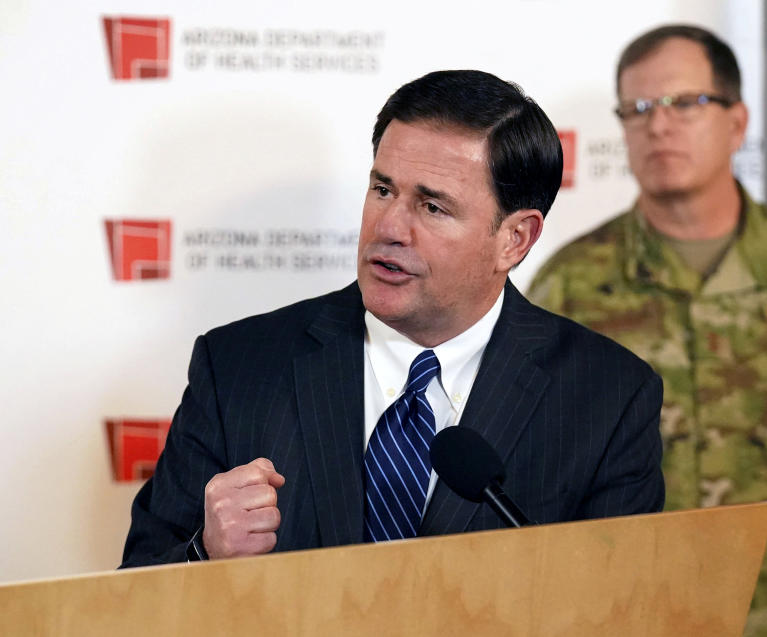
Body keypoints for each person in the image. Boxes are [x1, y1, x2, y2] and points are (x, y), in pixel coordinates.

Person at [121, 70, 664, 566]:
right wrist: (205, 551)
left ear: (514, 239)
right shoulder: (238, 367)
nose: (390, 228)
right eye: (383, 189)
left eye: (433, 207)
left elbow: (623, 607)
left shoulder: (608, 397)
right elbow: (132, 595)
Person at [527, 25, 767, 637]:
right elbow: (538, 483)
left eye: (686, 103)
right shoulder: (567, 289)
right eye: (639, 109)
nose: (659, 125)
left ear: (737, 122)